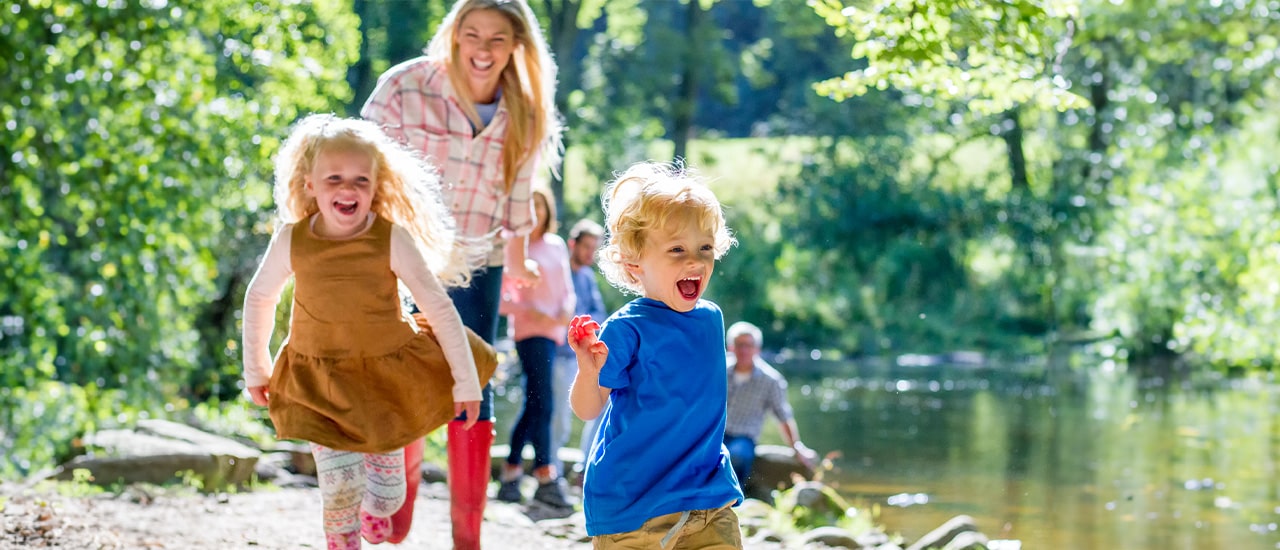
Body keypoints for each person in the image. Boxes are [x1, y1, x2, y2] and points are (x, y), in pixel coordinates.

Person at [240, 114, 498, 549]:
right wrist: (257, 369)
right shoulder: (292, 239)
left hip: (383, 385)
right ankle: (342, 539)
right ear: (310, 185)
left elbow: (438, 306)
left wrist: (466, 383)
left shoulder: (390, 238)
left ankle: (371, 513)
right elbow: (259, 298)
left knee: (384, 498)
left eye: (361, 179)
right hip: (319, 382)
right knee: (338, 489)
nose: (348, 189)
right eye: (335, 178)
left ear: (377, 186)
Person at [360, 0, 562, 546]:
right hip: (402, 256)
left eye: (498, 39)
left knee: (473, 379)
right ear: (453, 34)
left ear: (517, 44)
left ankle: (466, 534)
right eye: (471, 34)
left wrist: (518, 260)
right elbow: (360, 163)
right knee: (402, 379)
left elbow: (518, 195)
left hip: (479, 260)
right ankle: (394, 501)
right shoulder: (407, 86)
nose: (483, 49)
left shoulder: (525, 106)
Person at [566, 161, 744, 548]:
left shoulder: (712, 318)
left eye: (705, 247)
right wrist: (587, 369)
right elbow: (587, 409)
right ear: (634, 265)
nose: (695, 261)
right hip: (635, 506)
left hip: (707, 498)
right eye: (676, 249)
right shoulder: (627, 328)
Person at [495, 186, 575, 507]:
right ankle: (544, 474)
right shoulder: (516, 248)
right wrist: (528, 310)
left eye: (541, 206)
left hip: (554, 331)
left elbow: (567, 290)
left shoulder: (555, 246)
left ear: (548, 211)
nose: (536, 212)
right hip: (529, 333)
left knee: (535, 403)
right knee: (544, 401)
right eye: (531, 206)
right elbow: (501, 300)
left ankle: (513, 471)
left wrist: (567, 312)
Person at [547, 219, 607, 480]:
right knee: (559, 417)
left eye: (594, 248)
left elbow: (599, 312)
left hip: (583, 355)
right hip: (558, 353)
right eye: (586, 247)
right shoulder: (559, 272)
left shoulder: (587, 277)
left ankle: (585, 468)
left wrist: (585, 329)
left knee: (600, 410)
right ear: (573, 244)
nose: (589, 254)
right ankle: (553, 474)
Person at [724, 321, 815, 491]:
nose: (744, 350)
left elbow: (783, 416)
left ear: (757, 349)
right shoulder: (719, 369)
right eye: (739, 345)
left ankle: (731, 500)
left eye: (749, 345)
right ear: (731, 347)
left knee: (735, 456)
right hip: (715, 433)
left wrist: (796, 446)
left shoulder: (771, 380)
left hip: (743, 437)